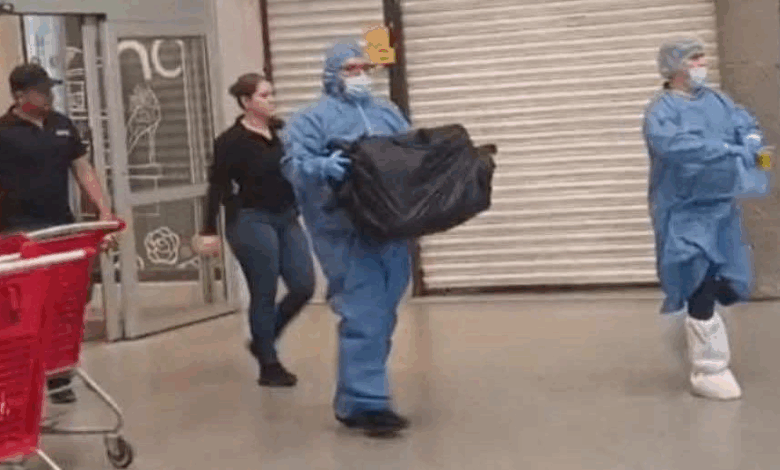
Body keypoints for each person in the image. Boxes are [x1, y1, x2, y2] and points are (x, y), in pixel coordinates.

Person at [280, 39, 412, 436]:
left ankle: (357, 398)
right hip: (343, 231)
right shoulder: (311, 119)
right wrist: (321, 166)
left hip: (390, 229)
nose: (359, 76)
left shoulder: (388, 113)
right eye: (349, 69)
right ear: (331, 75)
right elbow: (293, 165)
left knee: (384, 312)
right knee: (363, 311)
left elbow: (410, 153)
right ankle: (367, 403)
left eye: (363, 68)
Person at [643, 38, 772, 401]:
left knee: (730, 279)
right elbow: (675, 146)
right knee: (696, 274)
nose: (701, 64)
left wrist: (750, 139)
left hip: (721, 206)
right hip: (684, 209)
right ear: (675, 67)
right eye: (694, 59)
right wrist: (725, 150)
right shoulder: (661, 112)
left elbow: (743, 122)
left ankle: (701, 324)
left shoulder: (717, 101)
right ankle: (709, 368)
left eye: (701, 57)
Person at [0, 63, 117, 404]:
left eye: (50, 89)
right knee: (28, 308)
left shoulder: (62, 125)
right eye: (41, 91)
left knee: (67, 301)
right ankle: (24, 377)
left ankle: (59, 375)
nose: (49, 96)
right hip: (19, 231)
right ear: (19, 95)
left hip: (61, 227)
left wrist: (104, 213)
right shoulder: (3, 132)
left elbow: (83, 169)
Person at [193, 73, 315, 387]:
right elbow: (217, 186)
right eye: (264, 95)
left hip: (286, 217)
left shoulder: (282, 132)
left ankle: (264, 339)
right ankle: (269, 365)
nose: (271, 100)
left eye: (272, 94)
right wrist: (208, 229)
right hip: (251, 219)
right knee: (264, 290)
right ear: (246, 102)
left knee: (303, 285)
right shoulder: (231, 142)